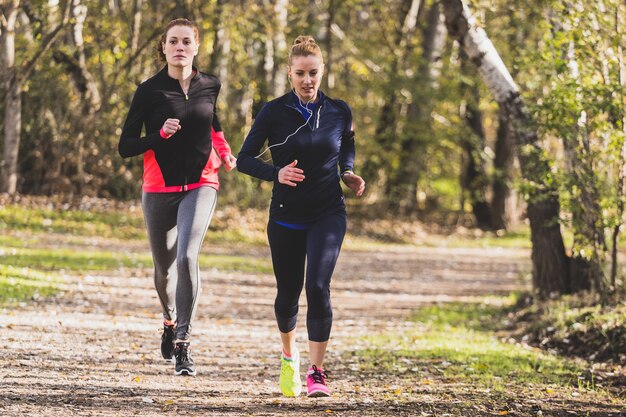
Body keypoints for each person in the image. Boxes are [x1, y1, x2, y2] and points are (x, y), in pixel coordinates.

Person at [237, 35, 365, 397]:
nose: (308, 81)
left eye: (313, 73)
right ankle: (289, 357)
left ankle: (317, 372)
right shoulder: (273, 112)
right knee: (288, 294)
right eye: (300, 74)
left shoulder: (339, 110)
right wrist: (274, 174)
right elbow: (244, 159)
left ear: (322, 71)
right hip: (286, 214)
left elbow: (348, 143)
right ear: (289, 74)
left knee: (318, 286)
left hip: (328, 211)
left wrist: (347, 171)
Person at [118, 18, 236, 377]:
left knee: (187, 257)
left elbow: (212, 124)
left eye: (187, 41)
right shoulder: (148, 91)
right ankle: (169, 320)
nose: (180, 46)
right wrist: (158, 135)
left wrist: (226, 152)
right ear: (165, 48)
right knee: (163, 270)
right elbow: (126, 146)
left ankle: (184, 343)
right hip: (159, 189)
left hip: (202, 182)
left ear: (196, 47)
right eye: (173, 41)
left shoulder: (210, 85)